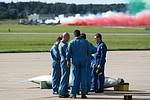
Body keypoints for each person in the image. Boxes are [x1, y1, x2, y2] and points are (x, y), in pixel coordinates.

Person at [66, 30, 91, 98]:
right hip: (84, 60)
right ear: (79, 34)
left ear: (74, 35)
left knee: (75, 77)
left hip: (75, 60)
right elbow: (89, 51)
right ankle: (83, 93)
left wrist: (68, 60)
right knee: (83, 77)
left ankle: (73, 93)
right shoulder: (85, 42)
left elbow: (68, 53)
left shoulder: (71, 42)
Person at [58, 32, 70, 98]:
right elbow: (67, 54)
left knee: (64, 76)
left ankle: (63, 91)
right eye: (68, 36)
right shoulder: (64, 45)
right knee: (65, 77)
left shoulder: (62, 44)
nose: (69, 38)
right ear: (64, 37)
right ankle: (62, 92)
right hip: (65, 61)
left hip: (63, 61)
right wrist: (68, 60)